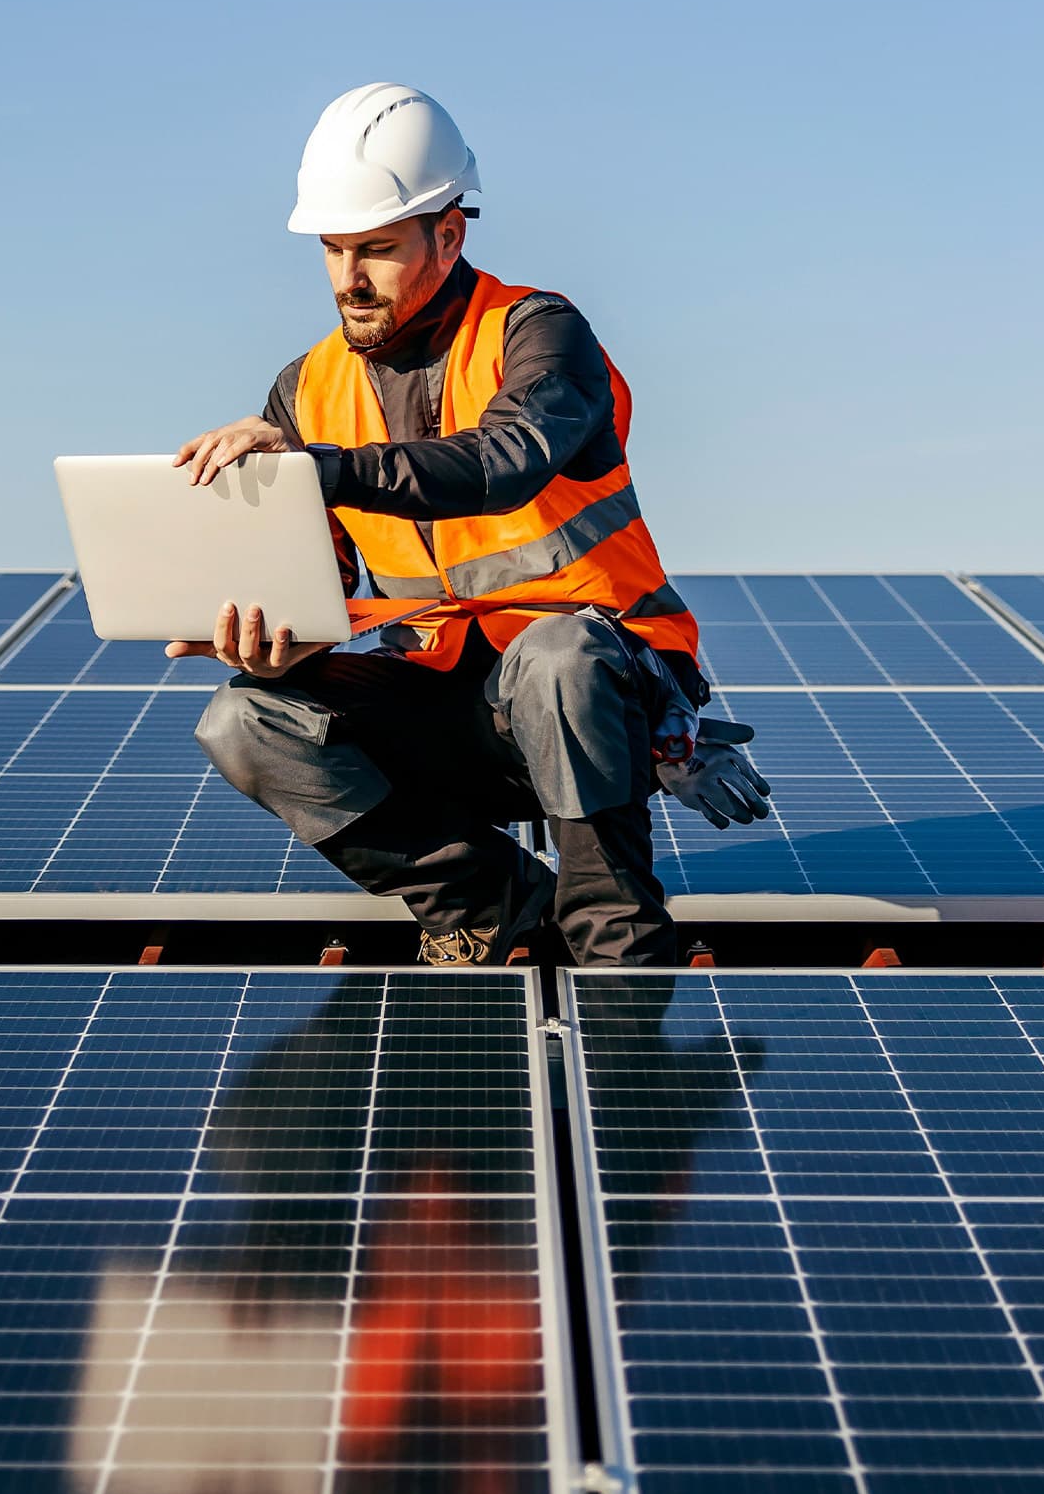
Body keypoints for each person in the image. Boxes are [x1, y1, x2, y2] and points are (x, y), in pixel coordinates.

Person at [169, 83, 767, 967]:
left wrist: (320, 464)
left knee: (559, 657)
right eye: (333, 250)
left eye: (375, 248)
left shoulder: (540, 334)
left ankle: (616, 946)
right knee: (242, 721)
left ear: (447, 234)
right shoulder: (305, 389)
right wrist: (280, 642)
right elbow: (322, 584)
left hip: (604, 691)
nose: (347, 278)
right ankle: (488, 900)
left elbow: (502, 461)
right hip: (451, 700)